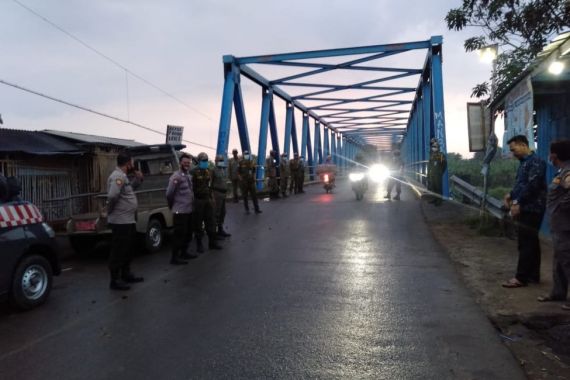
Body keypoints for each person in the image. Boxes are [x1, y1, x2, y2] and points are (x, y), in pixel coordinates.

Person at [502, 135, 547, 288]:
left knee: (526, 242)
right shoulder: (524, 163)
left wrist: (517, 202)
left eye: (514, 149)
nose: (513, 153)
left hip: (532, 207)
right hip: (526, 206)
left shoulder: (536, 162)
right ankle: (533, 275)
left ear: (523, 145)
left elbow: (532, 186)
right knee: (531, 241)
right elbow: (521, 185)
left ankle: (521, 278)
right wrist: (511, 195)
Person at [536, 140, 570, 307]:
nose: (549, 156)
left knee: (567, 259)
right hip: (559, 225)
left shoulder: (567, 172)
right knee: (558, 259)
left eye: (550, 153)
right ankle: (558, 292)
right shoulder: (561, 172)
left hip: (565, 226)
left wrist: (560, 207)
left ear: (554, 155)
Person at [106, 151, 144, 290]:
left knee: (128, 249)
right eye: (132, 162)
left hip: (128, 220)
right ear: (128, 163)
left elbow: (129, 190)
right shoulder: (117, 176)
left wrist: (138, 180)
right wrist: (109, 211)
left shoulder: (124, 177)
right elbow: (113, 196)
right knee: (119, 250)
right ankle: (115, 280)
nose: (133, 164)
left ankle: (126, 274)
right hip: (120, 221)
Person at [166, 153, 195, 265]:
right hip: (180, 211)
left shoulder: (188, 175)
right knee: (179, 234)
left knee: (188, 233)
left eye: (188, 163)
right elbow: (169, 194)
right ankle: (174, 257)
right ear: (180, 163)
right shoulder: (176, 177)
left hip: (189, 210)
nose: (187, 164)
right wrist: (172, 206)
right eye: (185, 162)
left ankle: (184, 252)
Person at [190, 152, 222, 253]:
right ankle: (199, 244)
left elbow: (209, 186)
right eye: (203, 161)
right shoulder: (193, 172)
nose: (205, 162)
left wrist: (212, 198)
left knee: (211, 221)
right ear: (199, 161)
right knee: (198, 223)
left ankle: (212, 243)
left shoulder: (208, 171)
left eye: (206, 160)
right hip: (198, 200)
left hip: (207, 199)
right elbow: (190, 188)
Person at [212, 154, 231, 238]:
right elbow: (210, 183)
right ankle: (214, 232)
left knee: (223, 212)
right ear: (216, 161)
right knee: (216, 213)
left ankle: (220, 229)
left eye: (222, 160)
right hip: (217, 193)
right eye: (219, 160)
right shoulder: (213, 170)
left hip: (223, 194)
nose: (221, 162)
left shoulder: (224, 169)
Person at [238, 150, 262, 214]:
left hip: (251, 182)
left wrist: (254, 177)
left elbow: (254, 170)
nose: (246, 155)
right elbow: (238, 172)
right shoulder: (240, 162)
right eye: (245, 154)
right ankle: (247, 210)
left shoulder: (252, 162)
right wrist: (241, 179)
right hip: (244, 182)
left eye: (247, 154)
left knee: (254, 196)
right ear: (243, 155)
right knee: (245, 196)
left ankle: (257, 209)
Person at [427, 138, 447, 206]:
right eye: (433, 147)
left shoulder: (441, 155)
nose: (433, 148)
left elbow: (444, 165)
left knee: (438, 188)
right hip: (432, 174)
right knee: (433, 187)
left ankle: (439, 201)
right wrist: (428, 174)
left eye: (435, 147)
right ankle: (435, 199)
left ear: (438, 147)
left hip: (438, 174)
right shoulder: (432, 155)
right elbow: (429, 165)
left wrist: (440, 172)